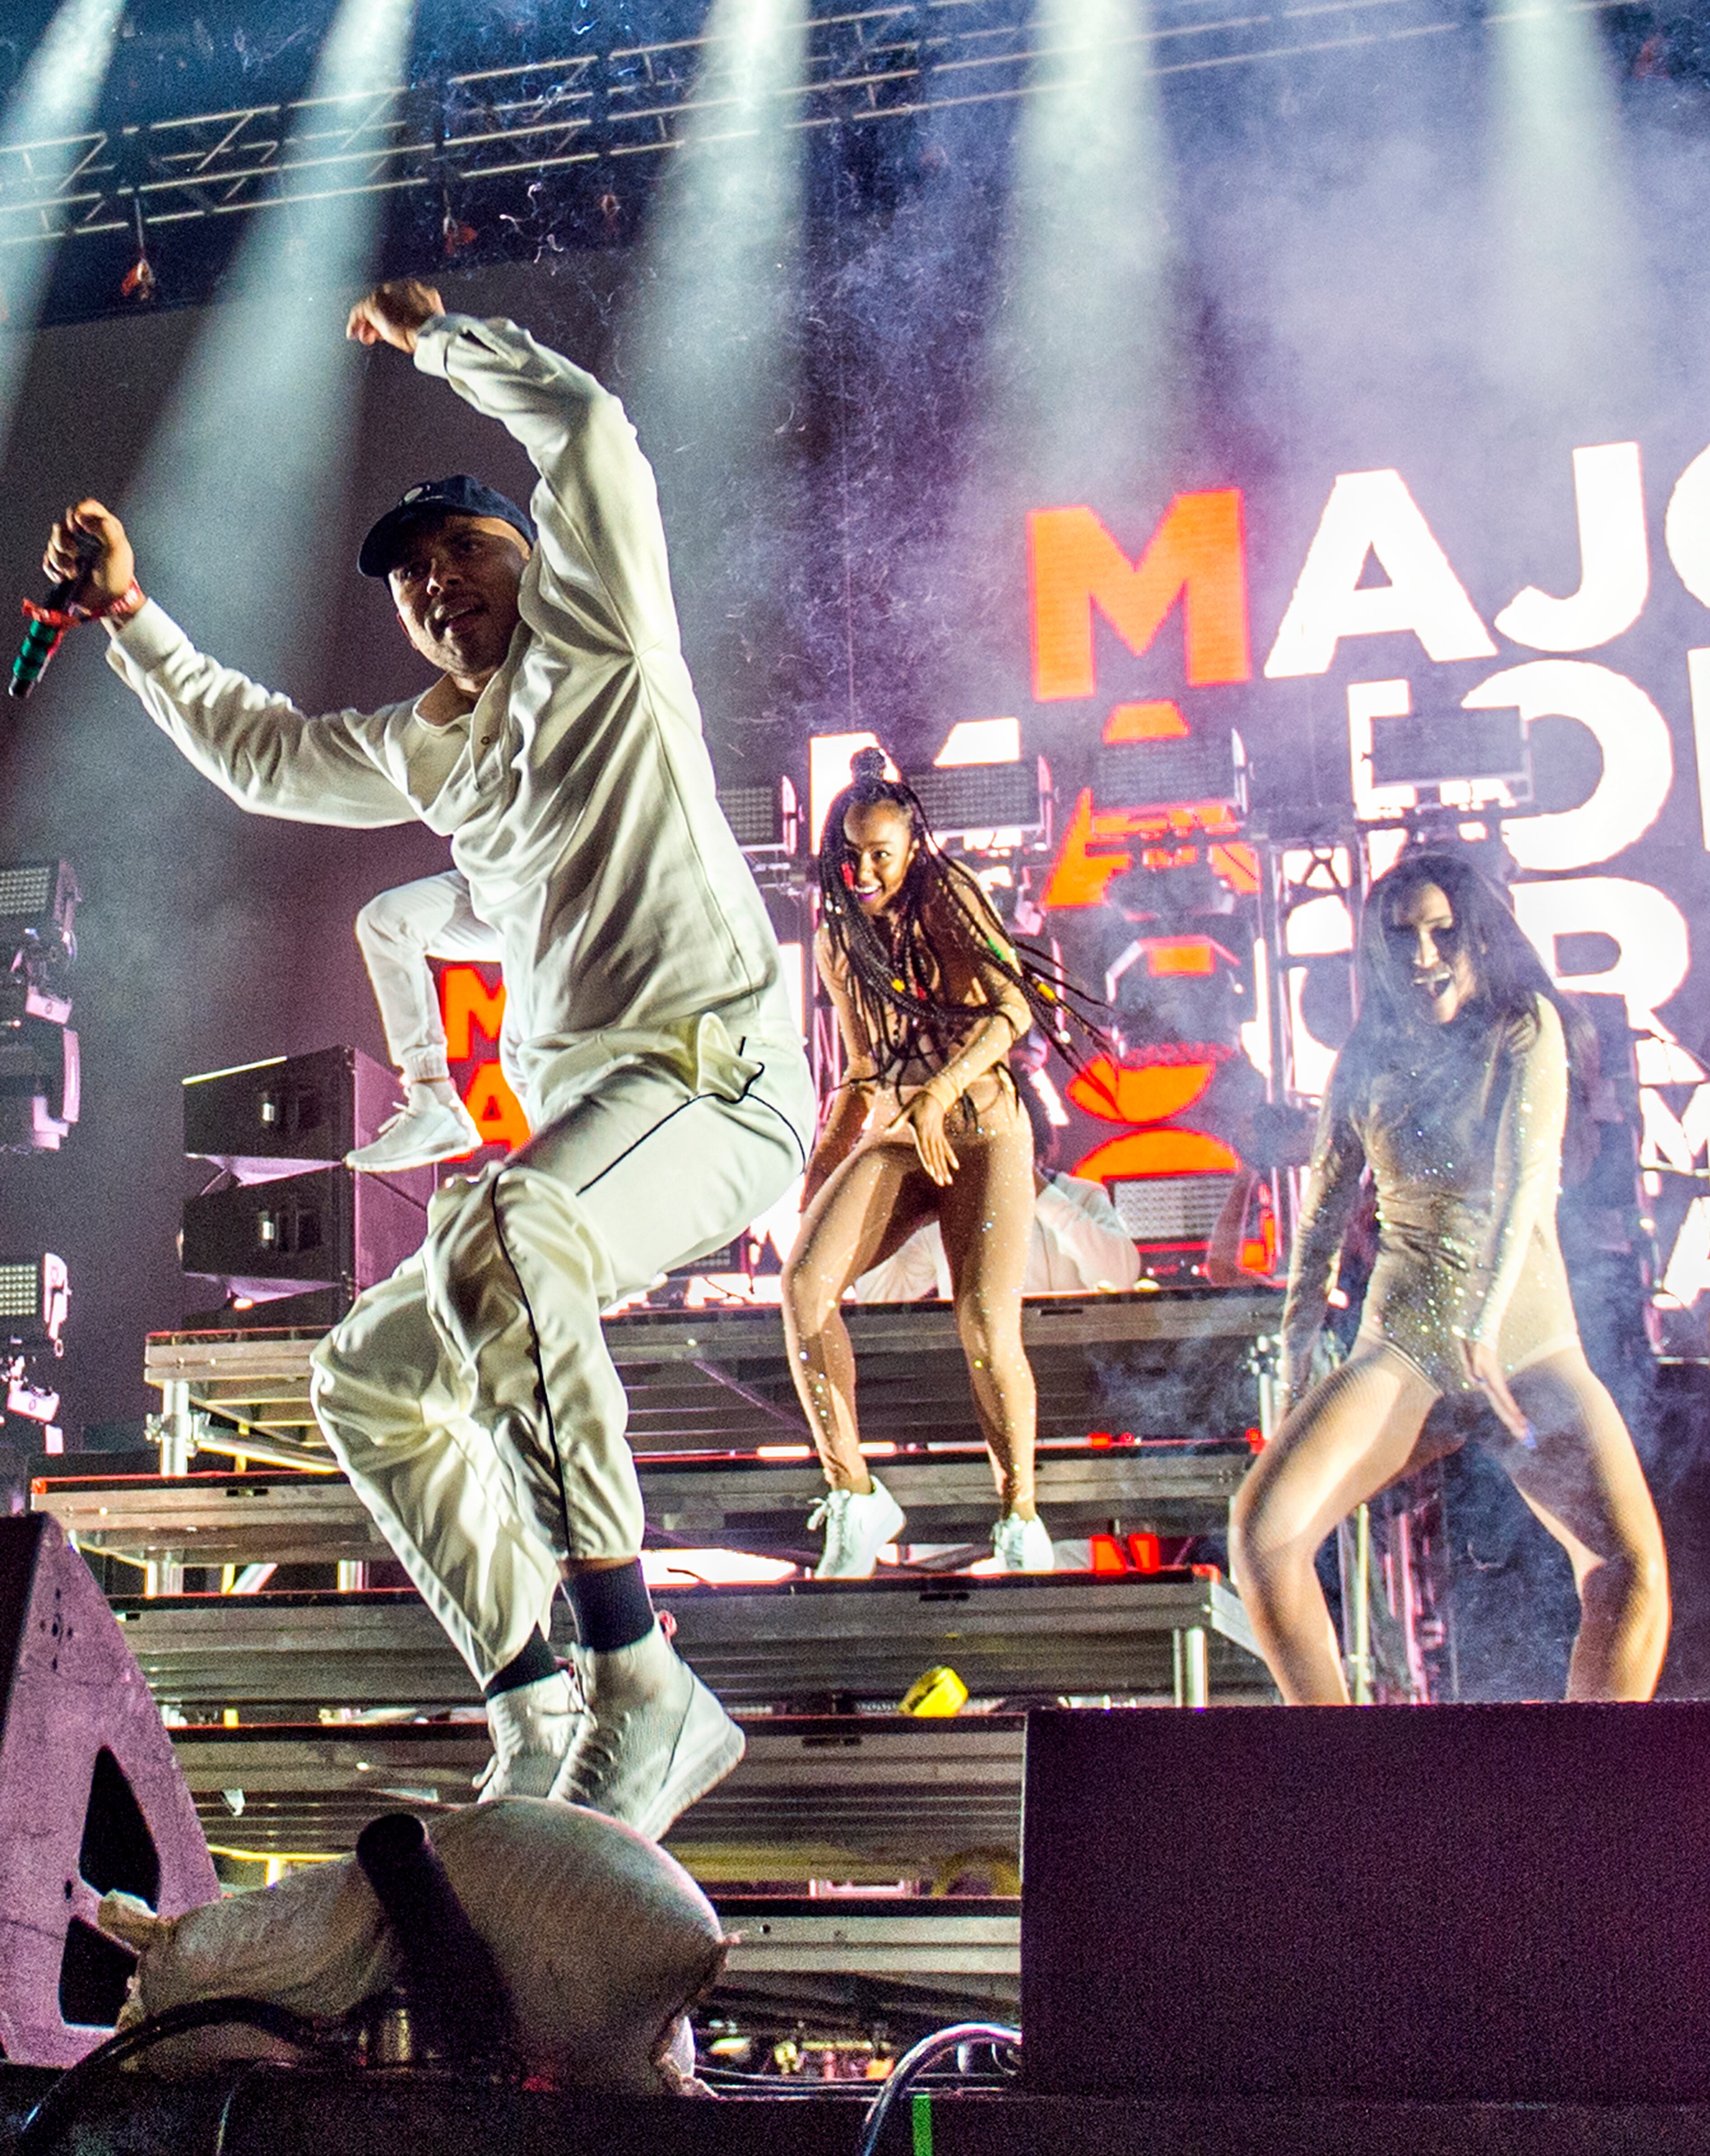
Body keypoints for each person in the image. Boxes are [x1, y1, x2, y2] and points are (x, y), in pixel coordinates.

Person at [44, 279, 815, 1838]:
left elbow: (589, 428)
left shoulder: (602, 631)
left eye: (466, 550)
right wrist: (132, 619)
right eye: (413, 582)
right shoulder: (424, 745)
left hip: (715, 1077)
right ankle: (534, 1699)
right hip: (603, 1105)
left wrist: (438, 340)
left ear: (528, 555)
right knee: (371, 1376)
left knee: (514, 1227)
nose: (441, 587)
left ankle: (644, 1682)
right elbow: (259, 750)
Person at [1228, 849, 1669, 1704]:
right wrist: (1293, 1365)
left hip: (1527, 1348)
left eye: (1442, 934)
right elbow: (1318, 1223)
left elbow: (1525, 1184)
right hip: (1406, 1347)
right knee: (1262, 1532)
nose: (1424, 955)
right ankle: (1343, 1782)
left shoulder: (1523, 1024)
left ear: (1478, 938)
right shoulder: (1363, 1060)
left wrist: (1485, 1326)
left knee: (1632, 1565)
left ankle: (1595, 1800)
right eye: (1403, 938)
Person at [780, 749, 1054, 1576]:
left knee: (981, 1322)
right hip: (901, 1135)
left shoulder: (951, 895)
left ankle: (1020, 1516)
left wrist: (941, 1092)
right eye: (851, 854)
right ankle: (857, 1496)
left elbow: (1015, 1009)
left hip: (985, 1131)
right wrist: (822, 1164)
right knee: (802, 1287)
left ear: (910, 851)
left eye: (881, 855)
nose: (864, 870)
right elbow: (862, 1071)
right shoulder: (837, 939)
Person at [853, 1069, 1141, 1300]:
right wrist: (893, 1203)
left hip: (1075, 1361)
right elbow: (879, 1294)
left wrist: (1039, 1193)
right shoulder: (946, 1213)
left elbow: (1119, 1277)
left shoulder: (1081, 1196)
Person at [347, 868, 524, 1173]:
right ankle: (433, 1099)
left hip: (564, 882)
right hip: (501, 872)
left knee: (527, 1060)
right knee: (388, 922)